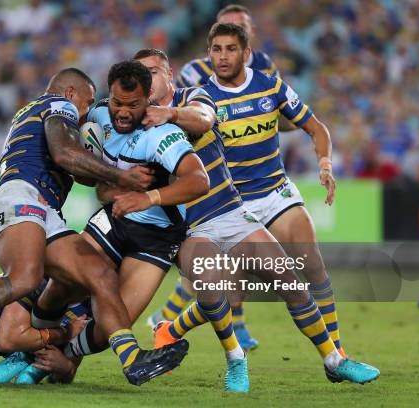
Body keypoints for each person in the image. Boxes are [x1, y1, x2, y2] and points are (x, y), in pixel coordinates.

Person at [0, 67, 188, 388]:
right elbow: (65, 153)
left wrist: (98, 163)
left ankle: (132, 358)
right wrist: (122, 176)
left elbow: (78, 168)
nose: (84, 117)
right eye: (85, 105)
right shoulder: (60, 106)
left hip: (38, 205)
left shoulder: (30, 111)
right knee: (23, 279)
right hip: (24, 196)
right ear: (71, 94)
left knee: (97, 273)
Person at [153, 23, 379, 384]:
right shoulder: (201, 98)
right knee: (227, 290)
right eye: (216, 50)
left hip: (274, 193)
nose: (222, 56)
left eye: (230, 49)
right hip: (230, 202)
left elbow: (315, 126)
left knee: (310, 265)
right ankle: (172, 327)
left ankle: (336, 356)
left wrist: (324, 165)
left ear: (245, 52)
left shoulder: (269, 85)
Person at [28, 60, 209, 381]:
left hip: (158, 236)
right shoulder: (96, 116)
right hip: (114, 220)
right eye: (117, 103)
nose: (123, 112)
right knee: (64, 282)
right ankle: (27, 348)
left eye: (133, 105)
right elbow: (71, 157)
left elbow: (198, 181)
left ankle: (60, 358)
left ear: (147, 102)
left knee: (115, 320)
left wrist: (148, 198)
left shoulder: (162, 134)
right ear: (108, 96)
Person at [151, 4, 296, 348]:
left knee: (233, 259)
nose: (225, 50)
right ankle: (181, 322)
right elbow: (186, 111)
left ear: (249, 35)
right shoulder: (194, 73)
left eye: (238, 29)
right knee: (220, 260)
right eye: (222, 34)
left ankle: (170, 320)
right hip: (214, 172)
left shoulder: (265, 70)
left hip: (249, 174)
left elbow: (279, 116)